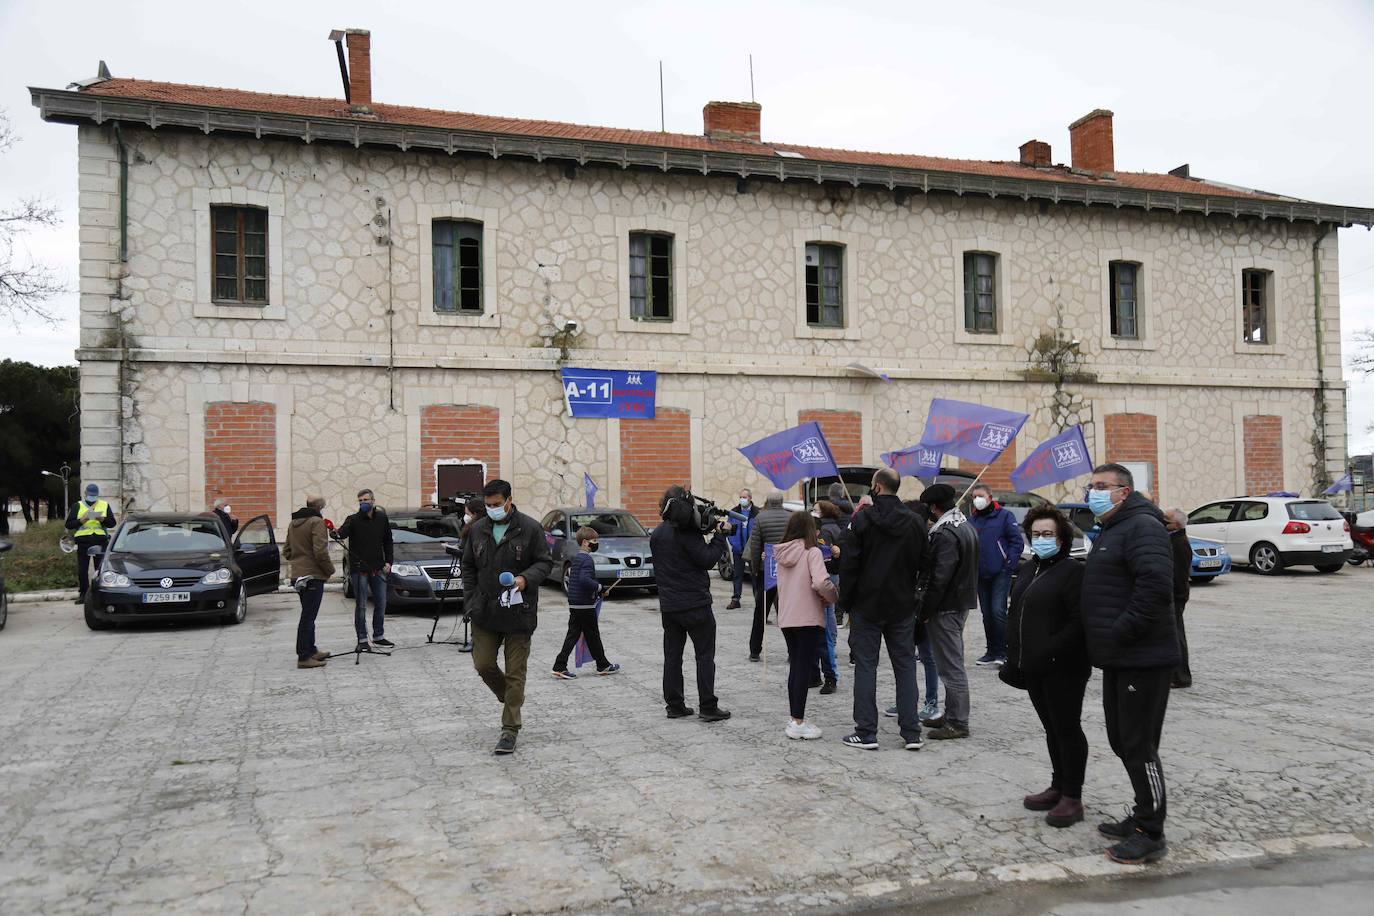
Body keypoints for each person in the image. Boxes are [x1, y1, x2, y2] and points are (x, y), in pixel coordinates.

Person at [1081, 463, 1178, 865]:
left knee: (1139, 743)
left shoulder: (1142, 526)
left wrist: (1120, 631)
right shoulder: (1113, 527)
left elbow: (1155, 588)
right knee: (1122, 740)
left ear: (1123, 491)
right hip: (1119, 656)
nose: (1092, 492)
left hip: (1142, 655)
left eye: (1101, 486)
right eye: (1091, 485)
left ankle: (1151, 832)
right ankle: (1141, 814)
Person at [1005, 506, 1089, 828]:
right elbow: (1017, 612)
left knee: (1067, 729)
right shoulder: (1029, 569)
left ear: (1061, 538)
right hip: (1034, 667)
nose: (1041, 539)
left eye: (1048, 534)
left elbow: (1079, 622)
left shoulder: (1073, 572)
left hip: (1064, 667)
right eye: (1036, 534)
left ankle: (1073, 797)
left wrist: (1049, 650)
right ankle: (1058, 785)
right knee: (1051, 728)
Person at [461, 479, 553, 755]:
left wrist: (525, 579)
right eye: (488, 505)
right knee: (483, 664)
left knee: (516, 673)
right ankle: (511, 697)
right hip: (485, 611)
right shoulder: (477, 529)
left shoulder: (530, 528)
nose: (492, 508)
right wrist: (470, 601)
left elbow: (545, 562)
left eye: (497, 504)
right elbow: (468, 566)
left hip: (518, 614)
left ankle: (509, 729)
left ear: (509, 501)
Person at [838, 467, 927, 751]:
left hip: (868, 604)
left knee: (866, 666)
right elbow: (925, 563)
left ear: (877, 486)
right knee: (905, 666)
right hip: (902, 604)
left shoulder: (862, 519)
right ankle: (912, 732)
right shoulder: (915, 522)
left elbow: (849, 564)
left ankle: (866, 732)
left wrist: (846, 602)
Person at [649, 485, 732, 721]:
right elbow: (707, 559)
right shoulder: (688, 534)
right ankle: (708, 706)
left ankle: (675, 705)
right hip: (696, 605)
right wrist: (719, 537)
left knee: (672, 657)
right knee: (704, 656)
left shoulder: (657, 534)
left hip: (670, 606)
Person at [918, 483, 978, 740]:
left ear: (933, 507)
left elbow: (939, 577)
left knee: (951, 666)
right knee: (950, 662)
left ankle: (958, 721)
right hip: (960, 601)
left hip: (946, 606)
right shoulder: (964, 526)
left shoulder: (944, 533)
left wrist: (926, 609)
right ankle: (951, 713)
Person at [775, 512, 839, 739]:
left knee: (796, 667)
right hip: (808, 616)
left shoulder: (781, 552)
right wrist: (833, 596)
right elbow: (821, 581)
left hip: (787, 616)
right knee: (803, 668)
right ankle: (798, 721)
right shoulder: (812, 552)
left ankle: (794, 717)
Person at [885, 500, 941, 722]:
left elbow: (931, 578)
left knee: (927, 656)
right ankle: (906, 701)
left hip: (921, 607)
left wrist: (925, 608)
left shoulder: (931, 541)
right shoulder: (903, 540)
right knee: (905, 657)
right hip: (903, 605)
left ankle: (931, 702)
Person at [551, 526, 620, 679]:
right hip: (584, 605)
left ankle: (560, 665)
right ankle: (602, 665)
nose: (596, 544)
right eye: (594, 541)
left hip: (575, 603)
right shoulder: (587, 559)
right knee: (592, 634)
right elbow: (584, 580)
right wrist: (600, 588)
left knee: (575, 635)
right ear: (584, 542)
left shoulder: (577, 558)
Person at [968, 483, 1023, 667]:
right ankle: (991, 651)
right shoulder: (972, 520)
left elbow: (1016, 541)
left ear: (990, 497)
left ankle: (1003, 652)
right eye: (974, 496)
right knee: (986, 613)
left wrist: (1009, 563)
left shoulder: (1005, 516)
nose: (977, 499)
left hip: (1000, 571)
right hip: (980, 573)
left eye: (980, 495)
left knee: (998, 611)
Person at [336, 488, 395, 651]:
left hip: (378, 567)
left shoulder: (382, 518)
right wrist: (336, 533)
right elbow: (342, 533)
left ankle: (379, 636)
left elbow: (388, 541)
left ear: (373, 501)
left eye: (365, 500)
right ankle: (362, 639)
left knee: (381, 602)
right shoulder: (353, 519)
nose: (363, 503)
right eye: (360, 501)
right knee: (361, 605)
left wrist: (389, 562)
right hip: (359, 568)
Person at [282, 496, 334, 669]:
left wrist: (299, 560)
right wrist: (329, 570)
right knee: (308, 617)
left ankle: (311, 650)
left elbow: (286, 551)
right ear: (319, 507)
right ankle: (304, 656)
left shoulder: (293, 523)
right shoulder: (316, 522)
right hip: (313, 575)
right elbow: (320, 552)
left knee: (308, 614)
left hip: (298, 575)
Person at [744, 491, 791, 661]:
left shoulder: (760, 518)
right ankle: (792, 651)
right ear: (782, 501)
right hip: (787, 570)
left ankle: (754, 650)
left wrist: (755, 569)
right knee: (786, 612)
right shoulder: (790, 518)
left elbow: (755, 546)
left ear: (768, 501)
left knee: (760, 612)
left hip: (767, 571)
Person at [813, 500, 845, 693]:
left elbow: (829, 560)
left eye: (816, 509)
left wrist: (836, 554)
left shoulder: (825, 531)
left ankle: (828, 675)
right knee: (828, 617)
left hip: (825, 579)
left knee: (826, 624)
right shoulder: (835, 527)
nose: (813, 511)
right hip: (827, 579)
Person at [66, 483, 115, 602]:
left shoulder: (104, 505)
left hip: (100, 540)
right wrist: (81, 520)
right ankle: (83, 594)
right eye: (90, 495)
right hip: (83, 541)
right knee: (82, 569)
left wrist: (102, 519)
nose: (92, 497)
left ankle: (100, 594)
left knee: (100, 569)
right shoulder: (77, 505)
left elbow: (112, 523)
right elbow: (69, 524)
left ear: (97, 495)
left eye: (94, 495)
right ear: (85, 494)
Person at [1164, 508, 1193, 689]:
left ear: (1175, 525)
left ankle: (1181, 676)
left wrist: (1175, 597)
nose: (1163, 522)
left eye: (1166, 520)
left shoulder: (1179, 544)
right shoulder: (1174, 540)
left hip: (1175, 596)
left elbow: (1179, 576)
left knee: (1177, 636)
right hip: (1175, 595)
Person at [725, 488, 758, 610]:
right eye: (740, 497)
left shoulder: (757, 513)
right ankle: (736, 599)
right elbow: (729, 530)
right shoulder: (734, 512)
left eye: (744, 497)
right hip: (738, 549)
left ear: (750, 498)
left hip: (752, 550)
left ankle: (758, 600)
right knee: (737, 575)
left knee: (755, 576)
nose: (742, 499)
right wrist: (734, 544)